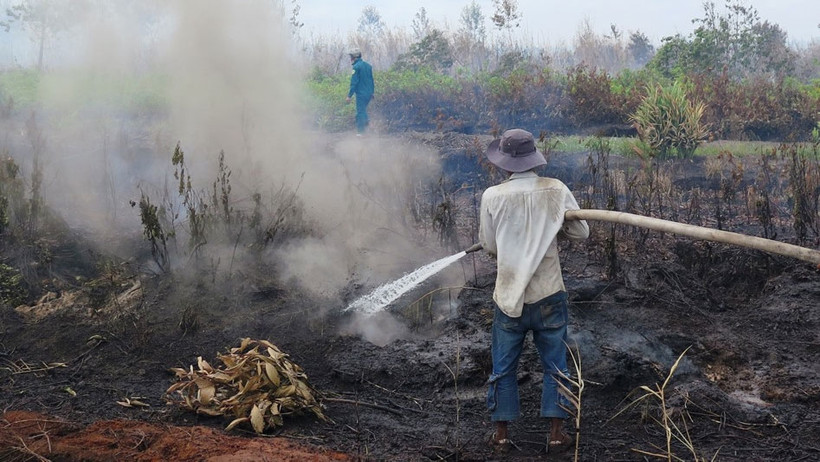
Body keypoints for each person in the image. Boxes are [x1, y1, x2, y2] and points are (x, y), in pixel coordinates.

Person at [478, 128, 589, 454]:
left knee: (503, 367)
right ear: (533, 158)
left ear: (505, 163)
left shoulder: (492, 196)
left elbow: (489, 245)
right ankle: (556, 434)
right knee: (556, 364)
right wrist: (558, 222)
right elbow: (581, 232)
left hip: (510, 298)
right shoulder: (556, 189)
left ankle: (500, 435)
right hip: (549, 296)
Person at [345, 48, 374, 135]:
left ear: (355, 57)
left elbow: (354, 83)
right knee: (363, 110)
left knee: (360, 112)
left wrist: (349, 95)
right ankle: (368, 125)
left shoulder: (356, 67)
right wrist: (372, 92)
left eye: (351, 57)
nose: (350, 59)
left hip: (361, 94)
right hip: (369, 93)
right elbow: (371, 80)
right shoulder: (368, 66)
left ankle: (361, 132)